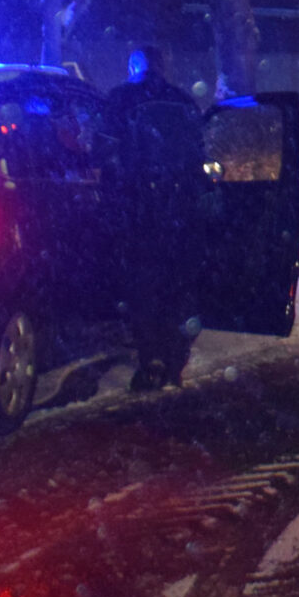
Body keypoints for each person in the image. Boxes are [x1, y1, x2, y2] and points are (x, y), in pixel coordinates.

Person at [106, 44, 209, 389]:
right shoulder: (183, 102)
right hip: (181, 213)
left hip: (139, 213)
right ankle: (175, 359)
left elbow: (102, 151)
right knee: (178, 289)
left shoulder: (121, 99)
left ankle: (150, 359)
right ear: (162, 66)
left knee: (144, 289)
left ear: (134, 66)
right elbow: (200, 154)